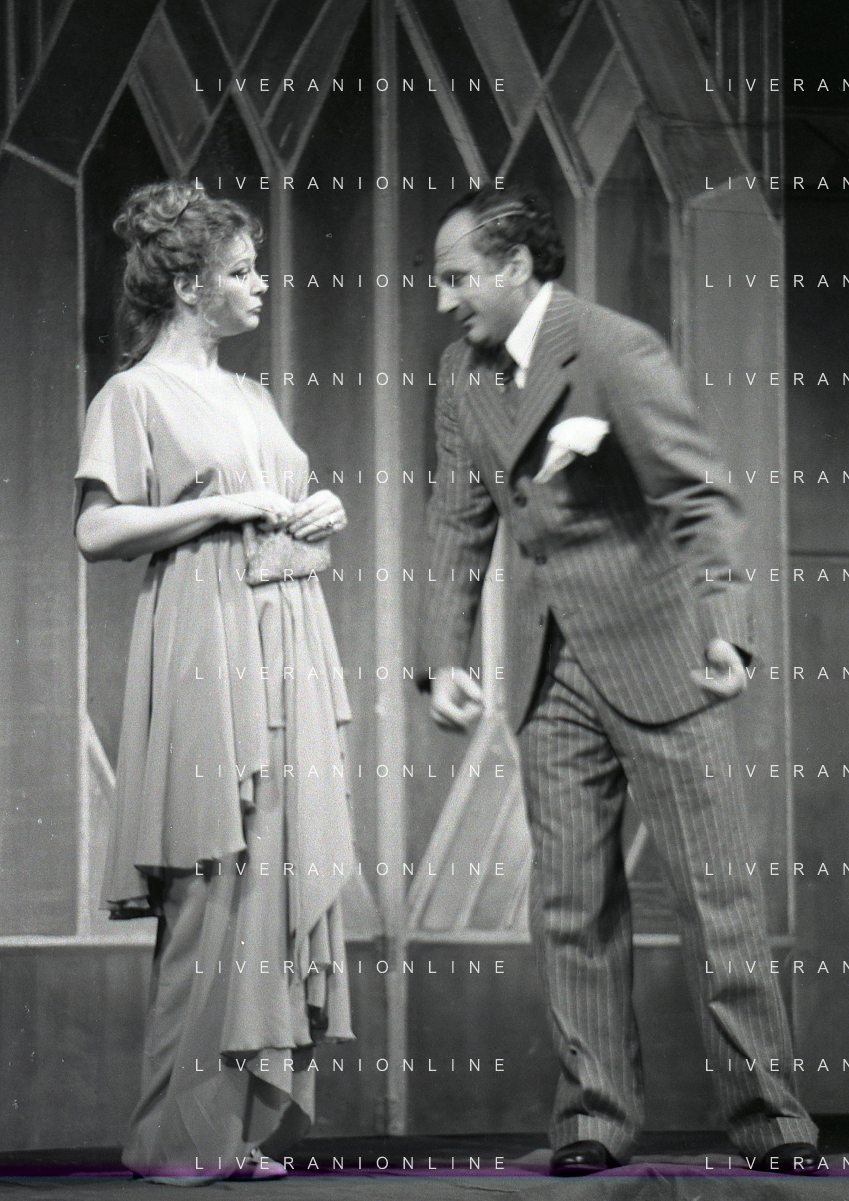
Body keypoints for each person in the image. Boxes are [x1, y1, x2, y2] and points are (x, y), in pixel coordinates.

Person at [418, 184, 820, 1176]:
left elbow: (699, 498)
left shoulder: (613, 349)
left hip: (657, 655)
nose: (444, 298)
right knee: (571, 904)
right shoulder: (461, 373)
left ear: (516, 266)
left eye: (458, 277)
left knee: (715, 896)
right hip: (547, 667)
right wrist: (444, 656)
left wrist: (727, 631)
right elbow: (457, 519)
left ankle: (771, 1118)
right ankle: (593, 1116)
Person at [75, 181, 354, 1184]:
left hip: (285, 630)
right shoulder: (134, 395)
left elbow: (283, 503)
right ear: (189, 284)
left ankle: (232, 1132)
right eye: (240, 271)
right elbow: (97, 529)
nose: (260, 284)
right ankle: (173, 1138)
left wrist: (319, 508)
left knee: (269, 865)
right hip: (204, 635)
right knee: (210, 877)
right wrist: (220, 507)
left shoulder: (252, 397)